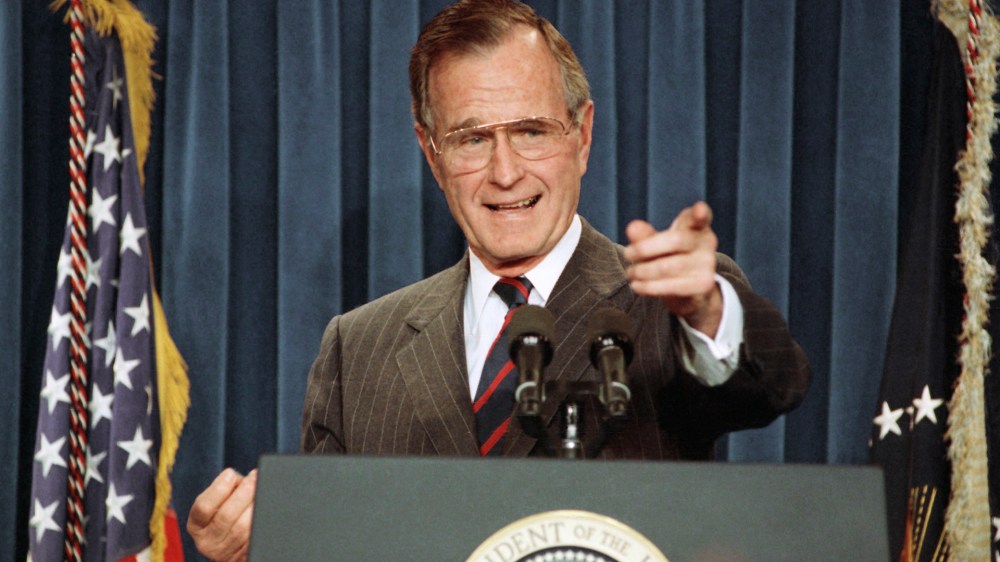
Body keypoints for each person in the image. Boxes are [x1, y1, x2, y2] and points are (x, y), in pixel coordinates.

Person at [187, 0, 811, 560]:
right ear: (431, 154)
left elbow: (773, 385)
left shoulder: (667, 305)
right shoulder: (360, 348)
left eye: (531, 132)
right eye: (472, 139)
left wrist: (706, 311)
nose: (505, 172)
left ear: (583, 135)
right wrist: (261, 551)